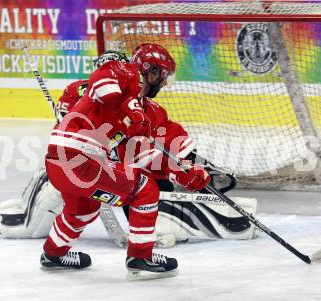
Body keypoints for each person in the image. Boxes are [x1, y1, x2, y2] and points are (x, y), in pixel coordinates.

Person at [0, 50, 257, 245]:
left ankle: (142, 241)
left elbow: (165, 140)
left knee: (148, 187)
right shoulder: (85, 92)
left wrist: (189, 163)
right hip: (76, 165)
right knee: (41, 214)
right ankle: (32, 226)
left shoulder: (147, 108)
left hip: (114, 169)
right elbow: (73, 115)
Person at [41, 43, 211, 280]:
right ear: (148, 70)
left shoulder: (144, 109)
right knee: (145, 190)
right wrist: (130, 106)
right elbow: (102, 82)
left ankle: (53, 254)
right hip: (77, 156)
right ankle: (140, 257)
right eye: (162, 75)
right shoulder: (122, 72)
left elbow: (141, 155)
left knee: (83, 209)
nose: (163, 82)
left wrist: (179, 172)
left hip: (71, 164)